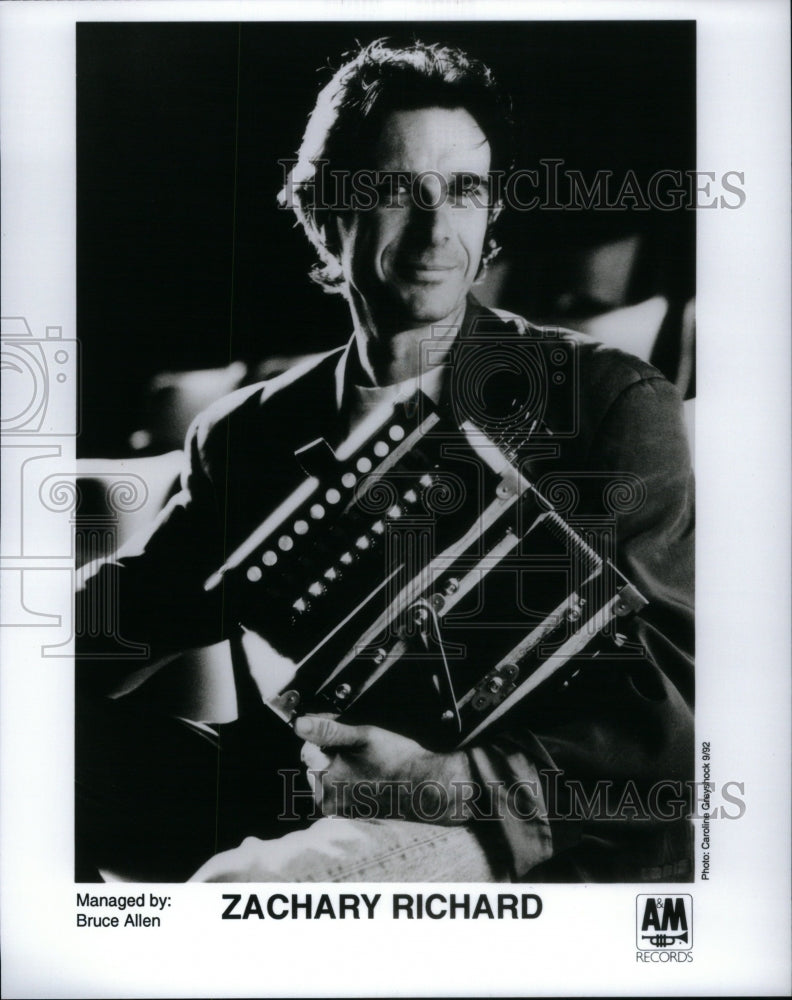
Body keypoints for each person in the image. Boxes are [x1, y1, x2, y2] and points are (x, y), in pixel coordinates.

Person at [76, 39, 694, 883]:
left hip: (529, 835)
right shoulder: (246, 435)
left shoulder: (605, 401)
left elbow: (677, 705)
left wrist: (439, 783)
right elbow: (126, 617)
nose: (438, 229)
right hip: (298, 796)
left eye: (465, 192)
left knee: (249, 892)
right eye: (398, 191)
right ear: (323, 212)